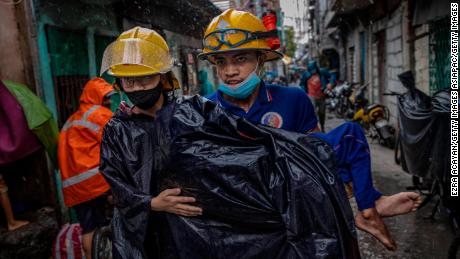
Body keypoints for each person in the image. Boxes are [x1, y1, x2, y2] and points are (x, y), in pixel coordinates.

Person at [199, 8, 422, 251]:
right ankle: (371, 205)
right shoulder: (205, 111)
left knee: (350, 135)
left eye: (240, 59)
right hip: (246, 213)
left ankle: (369, 207)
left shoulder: (293, 98)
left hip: (296, 204)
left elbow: (319, 154)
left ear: (261, 58)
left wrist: (360, 189)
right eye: (221, 61)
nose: (230, 71)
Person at [98, 27, 202, 259]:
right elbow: (116, 183)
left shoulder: (189, 116)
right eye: (129, 80)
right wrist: (151, 203)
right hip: (140, 237)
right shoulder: (116, 130)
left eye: (145, 78)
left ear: (163, 77)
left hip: (192, 227)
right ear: (119, 84)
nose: (137, 87)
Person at [57, 78, 115, 258]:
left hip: (74, 186)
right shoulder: (100, 114)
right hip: (96, 181)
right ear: (98, 97)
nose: (109, 101)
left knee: (88, 228)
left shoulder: (71, 120)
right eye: (106, 97)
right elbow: (117, 145)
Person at [299, 61, 328, 132]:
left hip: (321, 96)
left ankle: (322, 126)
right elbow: (302, 84)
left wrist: (330, 83)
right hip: (311, 96)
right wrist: (305, 92)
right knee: (313, 113)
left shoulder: (322, 72)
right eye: (311, 71)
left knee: (322, 113)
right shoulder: (306, 74)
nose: (313, 72)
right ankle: (315, 129)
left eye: (314, 70)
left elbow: (332, 75)